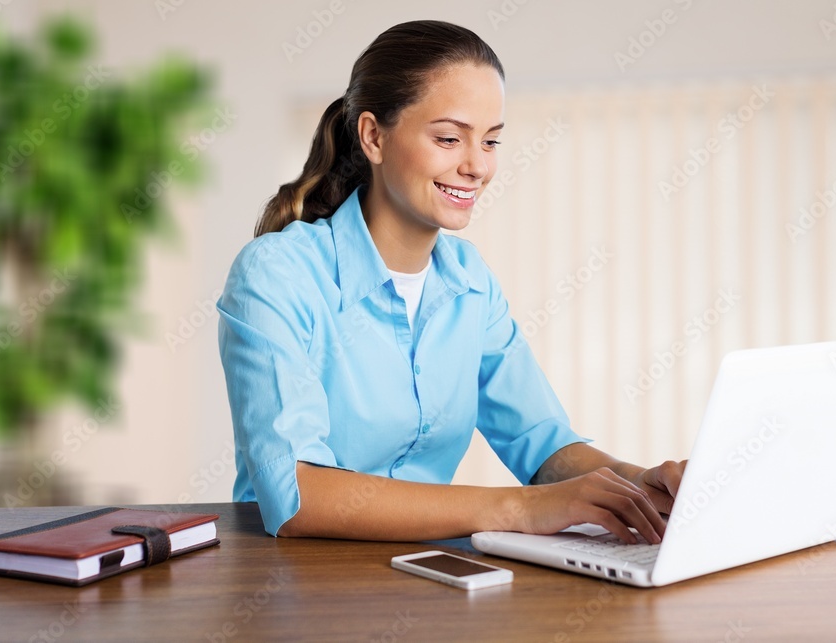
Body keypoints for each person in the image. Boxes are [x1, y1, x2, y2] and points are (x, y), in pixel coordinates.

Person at [217, 20, 686, 543]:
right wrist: (523, 509)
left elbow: (541, 442)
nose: (477, 166)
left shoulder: (470, 281)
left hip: (428, 576)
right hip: (296, 589)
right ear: (373, 136)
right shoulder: (277, 273)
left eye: (490, 141)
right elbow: (297, 496)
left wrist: (638, 485)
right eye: (448, 138)